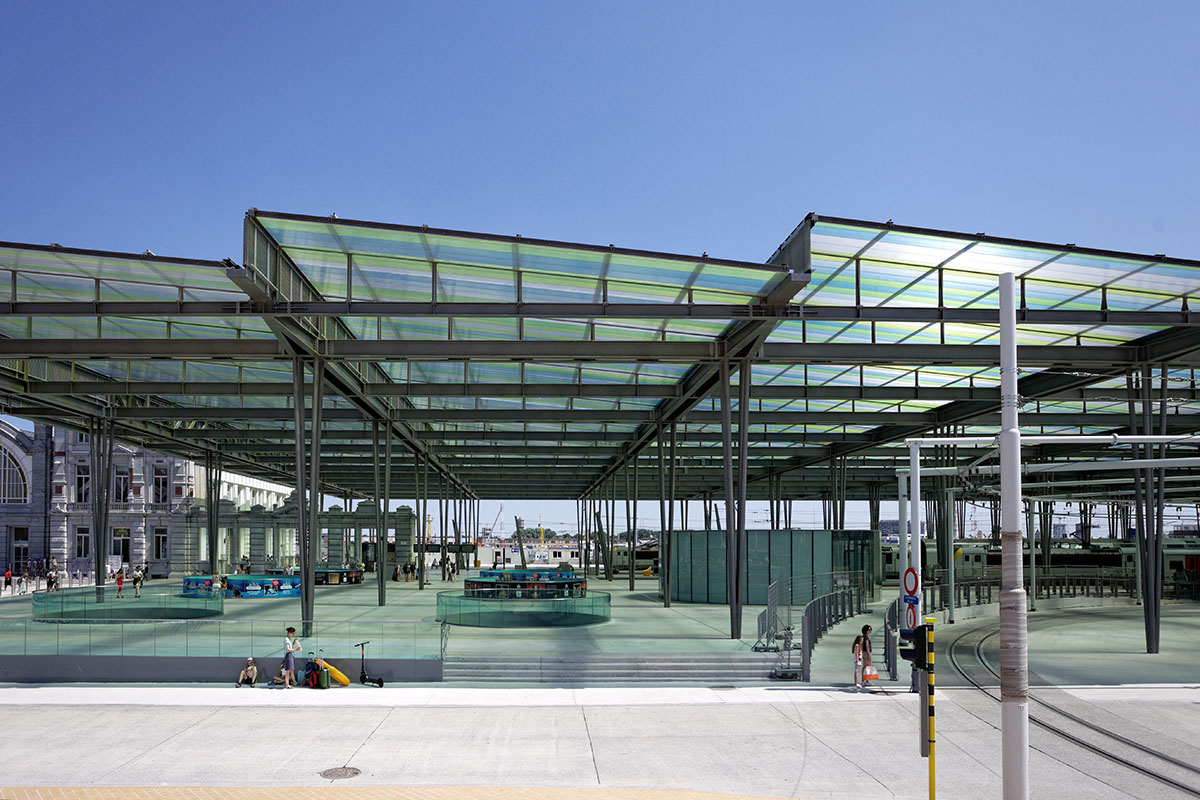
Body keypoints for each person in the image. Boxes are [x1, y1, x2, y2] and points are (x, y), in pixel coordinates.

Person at [852, 624, 873, 689]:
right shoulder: (866, 638)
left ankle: (863, 680)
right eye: (869, 630)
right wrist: (869, 654)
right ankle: (866, 680)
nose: (870, 631)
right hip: (866, 653)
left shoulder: (863, 637)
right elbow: (867, 646)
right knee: (867, 667)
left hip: (863, 653)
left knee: (864, 667)